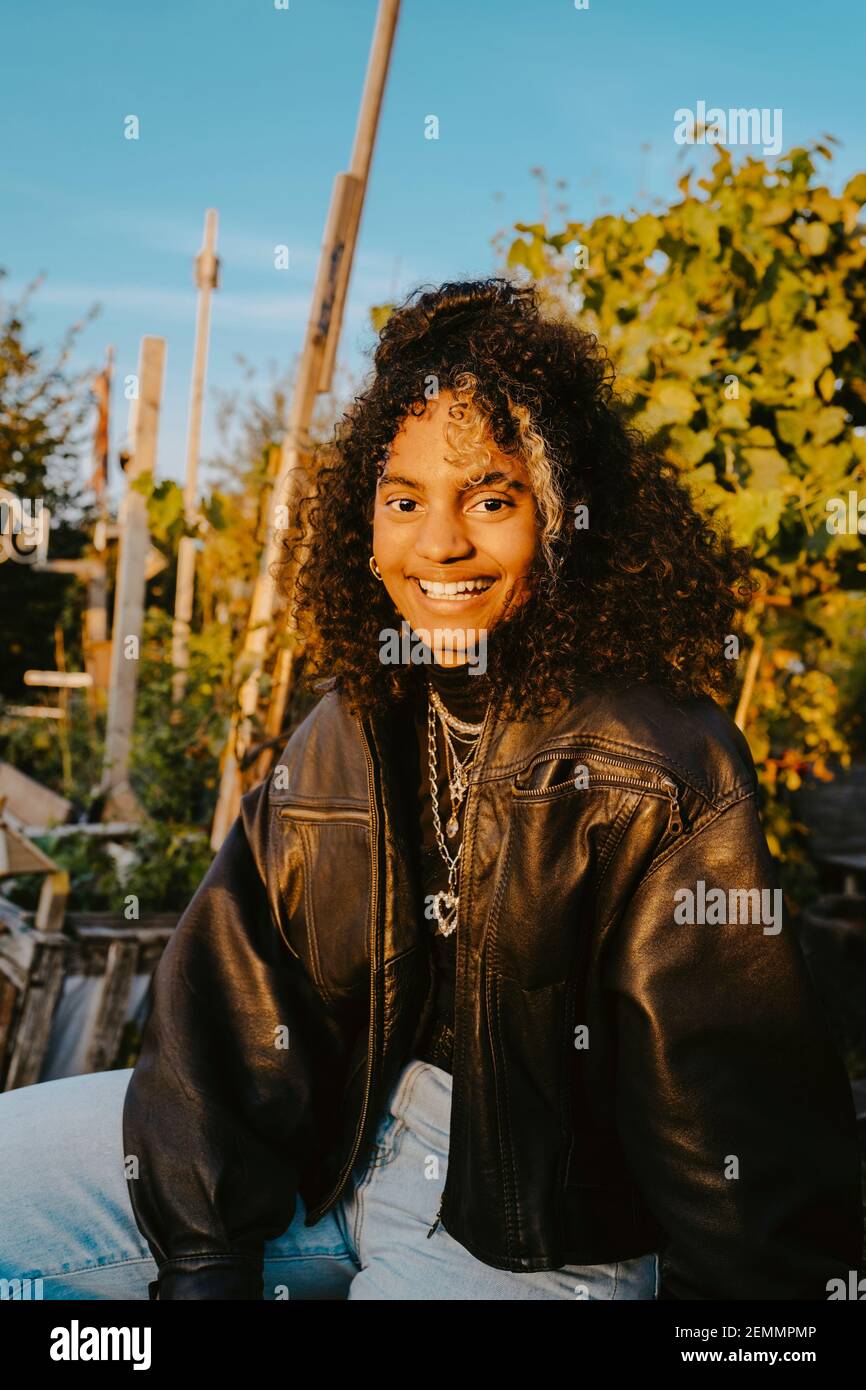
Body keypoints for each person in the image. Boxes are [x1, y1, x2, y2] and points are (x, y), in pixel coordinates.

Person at [0, 277, 861, 1302]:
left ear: (561, 518)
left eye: (489, 498)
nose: (439, 541)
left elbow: (732, 1113)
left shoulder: (660, 765)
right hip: (336, 1142)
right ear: (363, 523)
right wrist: (203, 1257)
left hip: (536, 1226)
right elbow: (226, 1009)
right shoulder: (347, 725)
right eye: (402, 498)